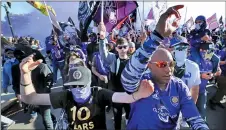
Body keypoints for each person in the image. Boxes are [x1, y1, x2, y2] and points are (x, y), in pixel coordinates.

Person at [119, 5, 209, 129]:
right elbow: (127, 81)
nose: (169, 69)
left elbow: (195, 118)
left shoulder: (179, 87)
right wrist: (156, 35)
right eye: (162, 65)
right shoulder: (142, 81)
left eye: (171, 64)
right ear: (149, 66)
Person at [19, 54, 154, 130]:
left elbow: (125, 98)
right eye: (74, 85)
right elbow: (30, 98)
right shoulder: (65, 96)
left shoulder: (99, 94)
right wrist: (25, 74)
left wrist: (140, 93)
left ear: (89, 83)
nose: (77, 89)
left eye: (82, 85)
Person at [99, 31, 130, 129]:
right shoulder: (113, 59)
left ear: (128, 47)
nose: (122, 49)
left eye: (124, 47)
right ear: (116, 48)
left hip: (128, 94)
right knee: (117, 117)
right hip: (116, 94)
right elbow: (104, 55)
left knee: (129, 115)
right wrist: (102, 39)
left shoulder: (131, 61)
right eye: (120, 47)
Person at [170, 35, 201, 128]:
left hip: (183, 104)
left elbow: (195, 89)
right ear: (172, 50)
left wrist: (190, 108)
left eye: (184, 48)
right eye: (179, 48)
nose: (182, 51)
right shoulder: (164, 65)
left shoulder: (193, 67)